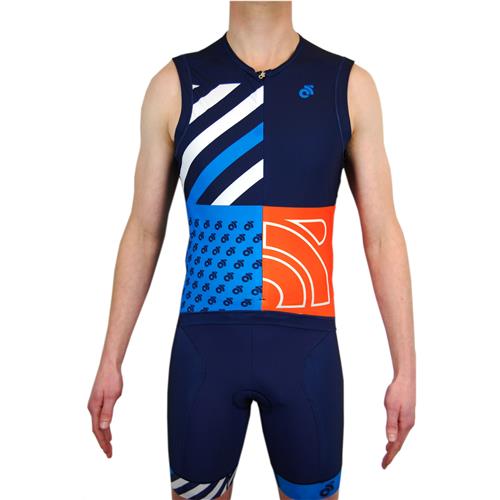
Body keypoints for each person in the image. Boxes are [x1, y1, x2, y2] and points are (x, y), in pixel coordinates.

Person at [87, 2, 416, 499]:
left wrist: (405, 369)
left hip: (305, 356)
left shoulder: (347, 86)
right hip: (205, 356)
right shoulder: (175, 85)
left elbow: (382, 234)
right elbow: (144, 230)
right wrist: (110, 359)